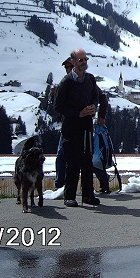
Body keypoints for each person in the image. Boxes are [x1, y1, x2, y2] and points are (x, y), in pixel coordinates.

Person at [54, 49, 104, 208]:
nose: (84, 63)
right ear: (73, 62)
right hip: (71, 126)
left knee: (87, 160)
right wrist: (78, 113)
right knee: (73, 161)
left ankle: (88, 195)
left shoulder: (90, 79)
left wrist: (93, 108)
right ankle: (70, 196)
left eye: (85, 60)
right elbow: (58, 106)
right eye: (80, 60)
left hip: (87, 126)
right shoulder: (66, 82)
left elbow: (96, 96)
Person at [50, 57, 74, 191]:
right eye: (67, 68)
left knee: (83, 156)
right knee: (61, 155)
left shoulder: (84, 82)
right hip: (66, 125)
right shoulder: (63, 84)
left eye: (70, 67)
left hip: (80, 125)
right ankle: (60, 185)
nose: (68, 70)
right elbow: (58, 107)